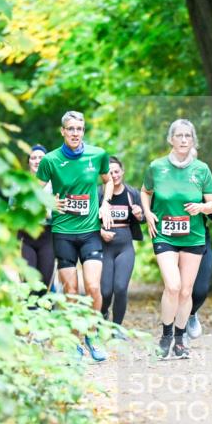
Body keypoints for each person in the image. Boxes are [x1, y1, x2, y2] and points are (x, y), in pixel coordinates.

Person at [36, 111, 114, 361]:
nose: (75, 133)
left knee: (92, 286)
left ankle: (92, 335)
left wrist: (106, 204)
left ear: (84, 131)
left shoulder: (97, 154)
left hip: (90, 231)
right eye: (70, 128)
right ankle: (74, 343)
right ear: (62, 131)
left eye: (79, 129)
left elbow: (108, 181)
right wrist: (49, 202)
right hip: (63, 232)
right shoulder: (50, 160)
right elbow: (34, 191)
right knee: (71, 290)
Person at [142, 119, 212, 359]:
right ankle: (165, 336)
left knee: (186, 292)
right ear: (170, 139)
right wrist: (148, 212)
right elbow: (145, 192)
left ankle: (180, 339)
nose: (184, 140)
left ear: (192, 140)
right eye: (179, 136)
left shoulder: (202, 169)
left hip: (193, 236)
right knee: (172, 286)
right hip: (164, 234)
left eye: (188, 136)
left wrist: (201, 208)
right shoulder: (156, 167)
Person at [99, 156, 144, 326]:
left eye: (116, 171)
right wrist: (101, 231)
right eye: (110, 172)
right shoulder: (98, 194)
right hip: (104, 247)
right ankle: (103, 313)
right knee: (105, 291)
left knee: (120, 288)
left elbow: (144, 218)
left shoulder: (132, 193)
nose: (114, 175)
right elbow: (88, 223)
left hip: (125, 247)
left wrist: (140, 215)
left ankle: (116, 327)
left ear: (122, 172)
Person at [184, 198, 212, 340]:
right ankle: (179, 333)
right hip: (171, 242)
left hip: (199, 240)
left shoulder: (200, 180)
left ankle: (191, 313)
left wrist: (202, 208)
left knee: (199, 291)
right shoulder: (165, 180)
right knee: (177, 289)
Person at [19, 144, 55, 292]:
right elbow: (12, 210)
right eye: (33, 157)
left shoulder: (55, 184)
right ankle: (28, 313)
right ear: (28, 161)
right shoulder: (20, 183)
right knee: (29, 281)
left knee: (44, 281)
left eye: (41, 157)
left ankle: (44, 312)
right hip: (26, 235)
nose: (37, 160)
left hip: (48, 235)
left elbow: (61, 208)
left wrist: (51, 213)